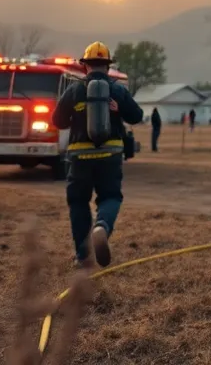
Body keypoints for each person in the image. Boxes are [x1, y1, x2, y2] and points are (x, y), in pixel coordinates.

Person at [53, 41, 144, 269]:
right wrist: (119, 108)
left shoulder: (74, 90)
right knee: (110, 197)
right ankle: (102, 226)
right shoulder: (118, 90)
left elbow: (58, 121)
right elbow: (136, 116)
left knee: (78, 202)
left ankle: (83, 256)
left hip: (79, 156)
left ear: (85, 66)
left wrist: (76, 112)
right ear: (107, 67)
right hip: (110, 154)